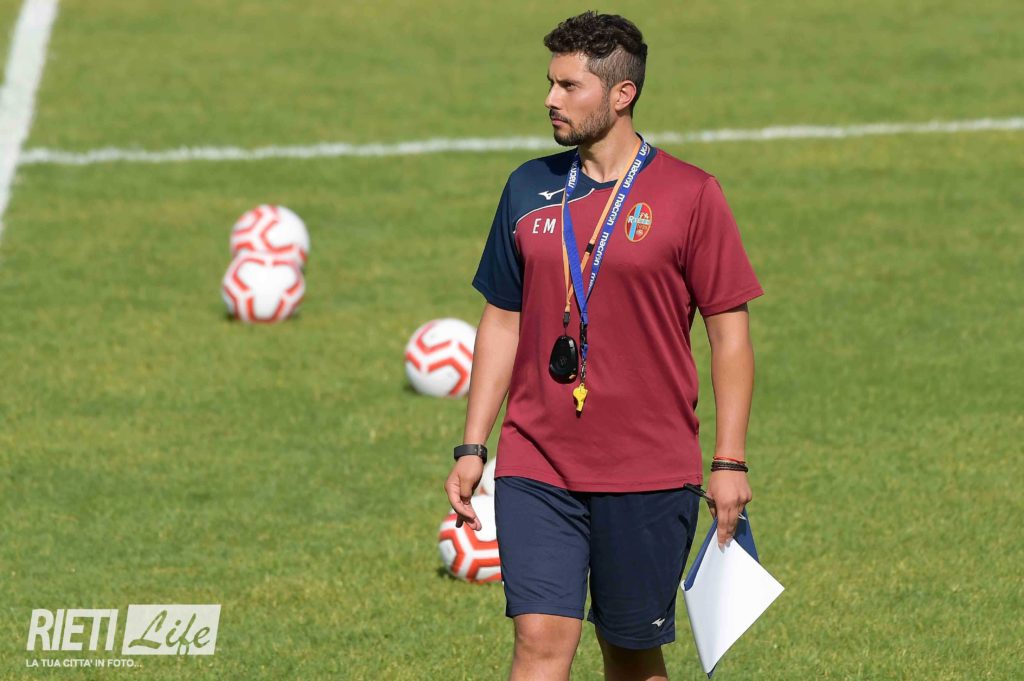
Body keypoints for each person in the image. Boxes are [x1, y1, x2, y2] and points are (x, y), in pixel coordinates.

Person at [444, 11, 764, 681]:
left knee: (629, 652)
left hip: (648, 467)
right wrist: (473, 446)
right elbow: (501, 318)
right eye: (550, 82)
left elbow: (729, 333)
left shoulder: (690, 195)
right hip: (537, 459)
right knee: (538, 639)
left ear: (622, 94)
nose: (550, 99)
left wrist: (729, 459)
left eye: (569, 86)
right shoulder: (527, 187)